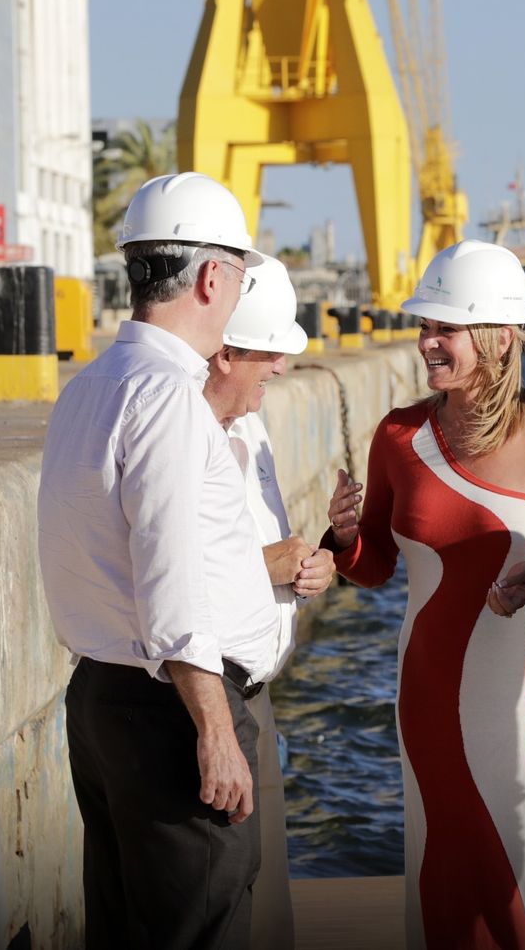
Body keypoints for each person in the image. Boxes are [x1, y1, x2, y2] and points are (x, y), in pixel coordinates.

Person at [320, 239, 525, 949]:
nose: (426, 343)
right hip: (425, 687)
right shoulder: (398, 435)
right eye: (424, 327)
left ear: (493, 335)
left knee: (522, 876)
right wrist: (339, 539)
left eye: (442, 328)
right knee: (442, 870)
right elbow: (374, 567)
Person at [39, 172, 294, 949]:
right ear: (214, 277)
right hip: (171, 715)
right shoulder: (169, 398)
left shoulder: (88, 388)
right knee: (198, 925)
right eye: (242, 275)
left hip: (100, 698)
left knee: (122, 926)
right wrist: (215, 731)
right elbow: (172, 579)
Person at [201, 255, 337, 950]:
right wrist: (267, 566)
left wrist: (310, 562)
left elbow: (256, 545)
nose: (283, 368)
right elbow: (163, 576)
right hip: (205, 699)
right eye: (271, 353)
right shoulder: (180, 432)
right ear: (225, 351)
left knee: (266, 901)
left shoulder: (248, 424)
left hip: (255, 697)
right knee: (218, 906)